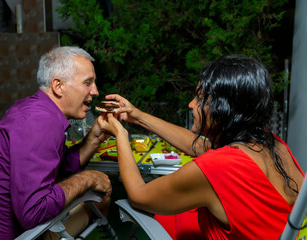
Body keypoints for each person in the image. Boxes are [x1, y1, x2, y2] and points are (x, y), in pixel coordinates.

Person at [98, 56, 305, 239]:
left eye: (199, 98)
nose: (190, 104)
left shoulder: (219, 167)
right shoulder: (271, 144)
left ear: (222, 108)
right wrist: (137, 116)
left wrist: (120, 134)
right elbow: (200, 147)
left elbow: (138, 194)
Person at [0, 46, 112, 239]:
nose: (95, 91)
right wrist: (88, 179)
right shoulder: (40, 124)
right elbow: (33, 211)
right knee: (101, 196)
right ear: (58, 86)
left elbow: (62, 167)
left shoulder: (35, 108)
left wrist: (94, 138)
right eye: (88, 82)